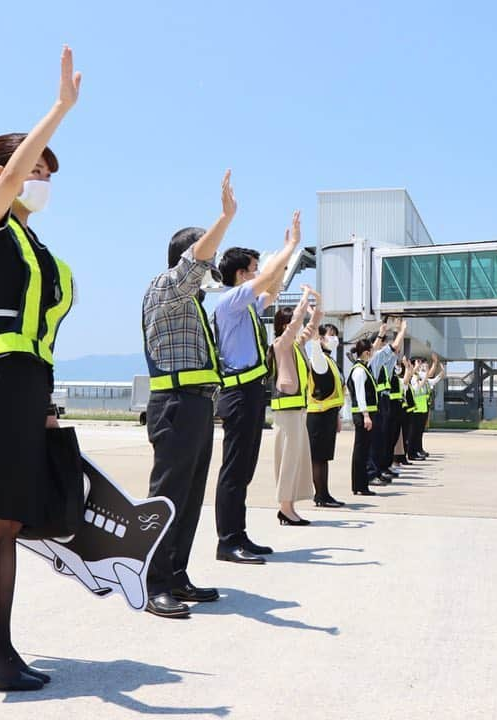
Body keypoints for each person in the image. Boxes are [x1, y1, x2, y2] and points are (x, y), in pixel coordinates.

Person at [0, 46, 81, 692]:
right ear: (6, 172)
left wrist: (47, 401)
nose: (44, 180)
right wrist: (59, 108)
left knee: (7, 524)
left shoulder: (35, 245)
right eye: (37, 168)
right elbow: (5, 187)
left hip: (27, 389)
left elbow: (43, 333)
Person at [141, 170, 237, 619]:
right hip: (176, 406)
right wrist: (225, 217)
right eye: (209, 254)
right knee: (169, 495)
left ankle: (176, 574)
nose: (213, 265)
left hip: (197, 405)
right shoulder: (168, 287)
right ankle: (153, 580)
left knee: (190, 495)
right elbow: (195, 261)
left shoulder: (193, 303)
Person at [211, 211, 303, 563]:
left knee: (244, 468)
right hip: (236, 394)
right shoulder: (231, 301)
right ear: (240, 275)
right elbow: (267, 279)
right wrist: (291, 245)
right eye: (252, 269)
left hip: (250, 392)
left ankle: (240, 535)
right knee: (234, 469)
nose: (257, 274)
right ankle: (227, 541)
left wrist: (285, 256)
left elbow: (273, 284)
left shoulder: (246, 306)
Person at [269, 286, 323, 525]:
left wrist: (317, 307)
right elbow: (297, 325)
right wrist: (304, 299)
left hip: (297, 410)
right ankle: (284, 507)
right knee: (288, 459)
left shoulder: (296, 346)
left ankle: (289, 506)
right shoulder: (281, 344)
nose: (298, 326)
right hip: (287, 410)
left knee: (297, 459)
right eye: (292, 322)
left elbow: (311, 328)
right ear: (284, 325)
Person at [306, 323, 345, 507]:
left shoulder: (331, 361)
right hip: (318, 416)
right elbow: (316, 356)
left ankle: (325, 493)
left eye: (336, 335)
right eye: (331, 335)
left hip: (328, 415)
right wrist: (314, 341)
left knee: (324, 458)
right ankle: (320, 496)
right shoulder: (319, 358)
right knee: (319, 458)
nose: (335, 338)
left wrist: (337, 416)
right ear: (321, 339)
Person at [368, 318, 407, 485]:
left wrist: (399, 333)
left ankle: (382, 467)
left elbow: (394, 350)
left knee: (385, 437)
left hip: (385, 401)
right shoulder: (374, 359)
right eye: (382, 342)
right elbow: (393, 347)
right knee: (377, 439)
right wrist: (401, 330)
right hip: (378, 401)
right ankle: (374, 471)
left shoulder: (384, 362)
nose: (385, 345)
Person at [346, 338, 380, 496]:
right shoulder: (359, 370)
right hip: (363, 415)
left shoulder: (363, 368)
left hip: (365, 414)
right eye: (371, 351)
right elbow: (360, 395)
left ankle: (359, 485)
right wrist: (366, 415)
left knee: (363, 450)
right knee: (361, 451)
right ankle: (360, 485)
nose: (372, 353)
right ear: (367, 352)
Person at [407, 354, 445, 460]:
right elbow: (418, 387)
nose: (421, 366)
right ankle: (412, 452)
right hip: (415, 409)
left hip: (422, 409)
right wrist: (431, 368)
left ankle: (418, 450)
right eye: (418, 363)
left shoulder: (422, 377)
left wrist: (439, 369)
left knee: (419, 432)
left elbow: (434, 378)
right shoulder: (414, 377)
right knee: (413, 433)